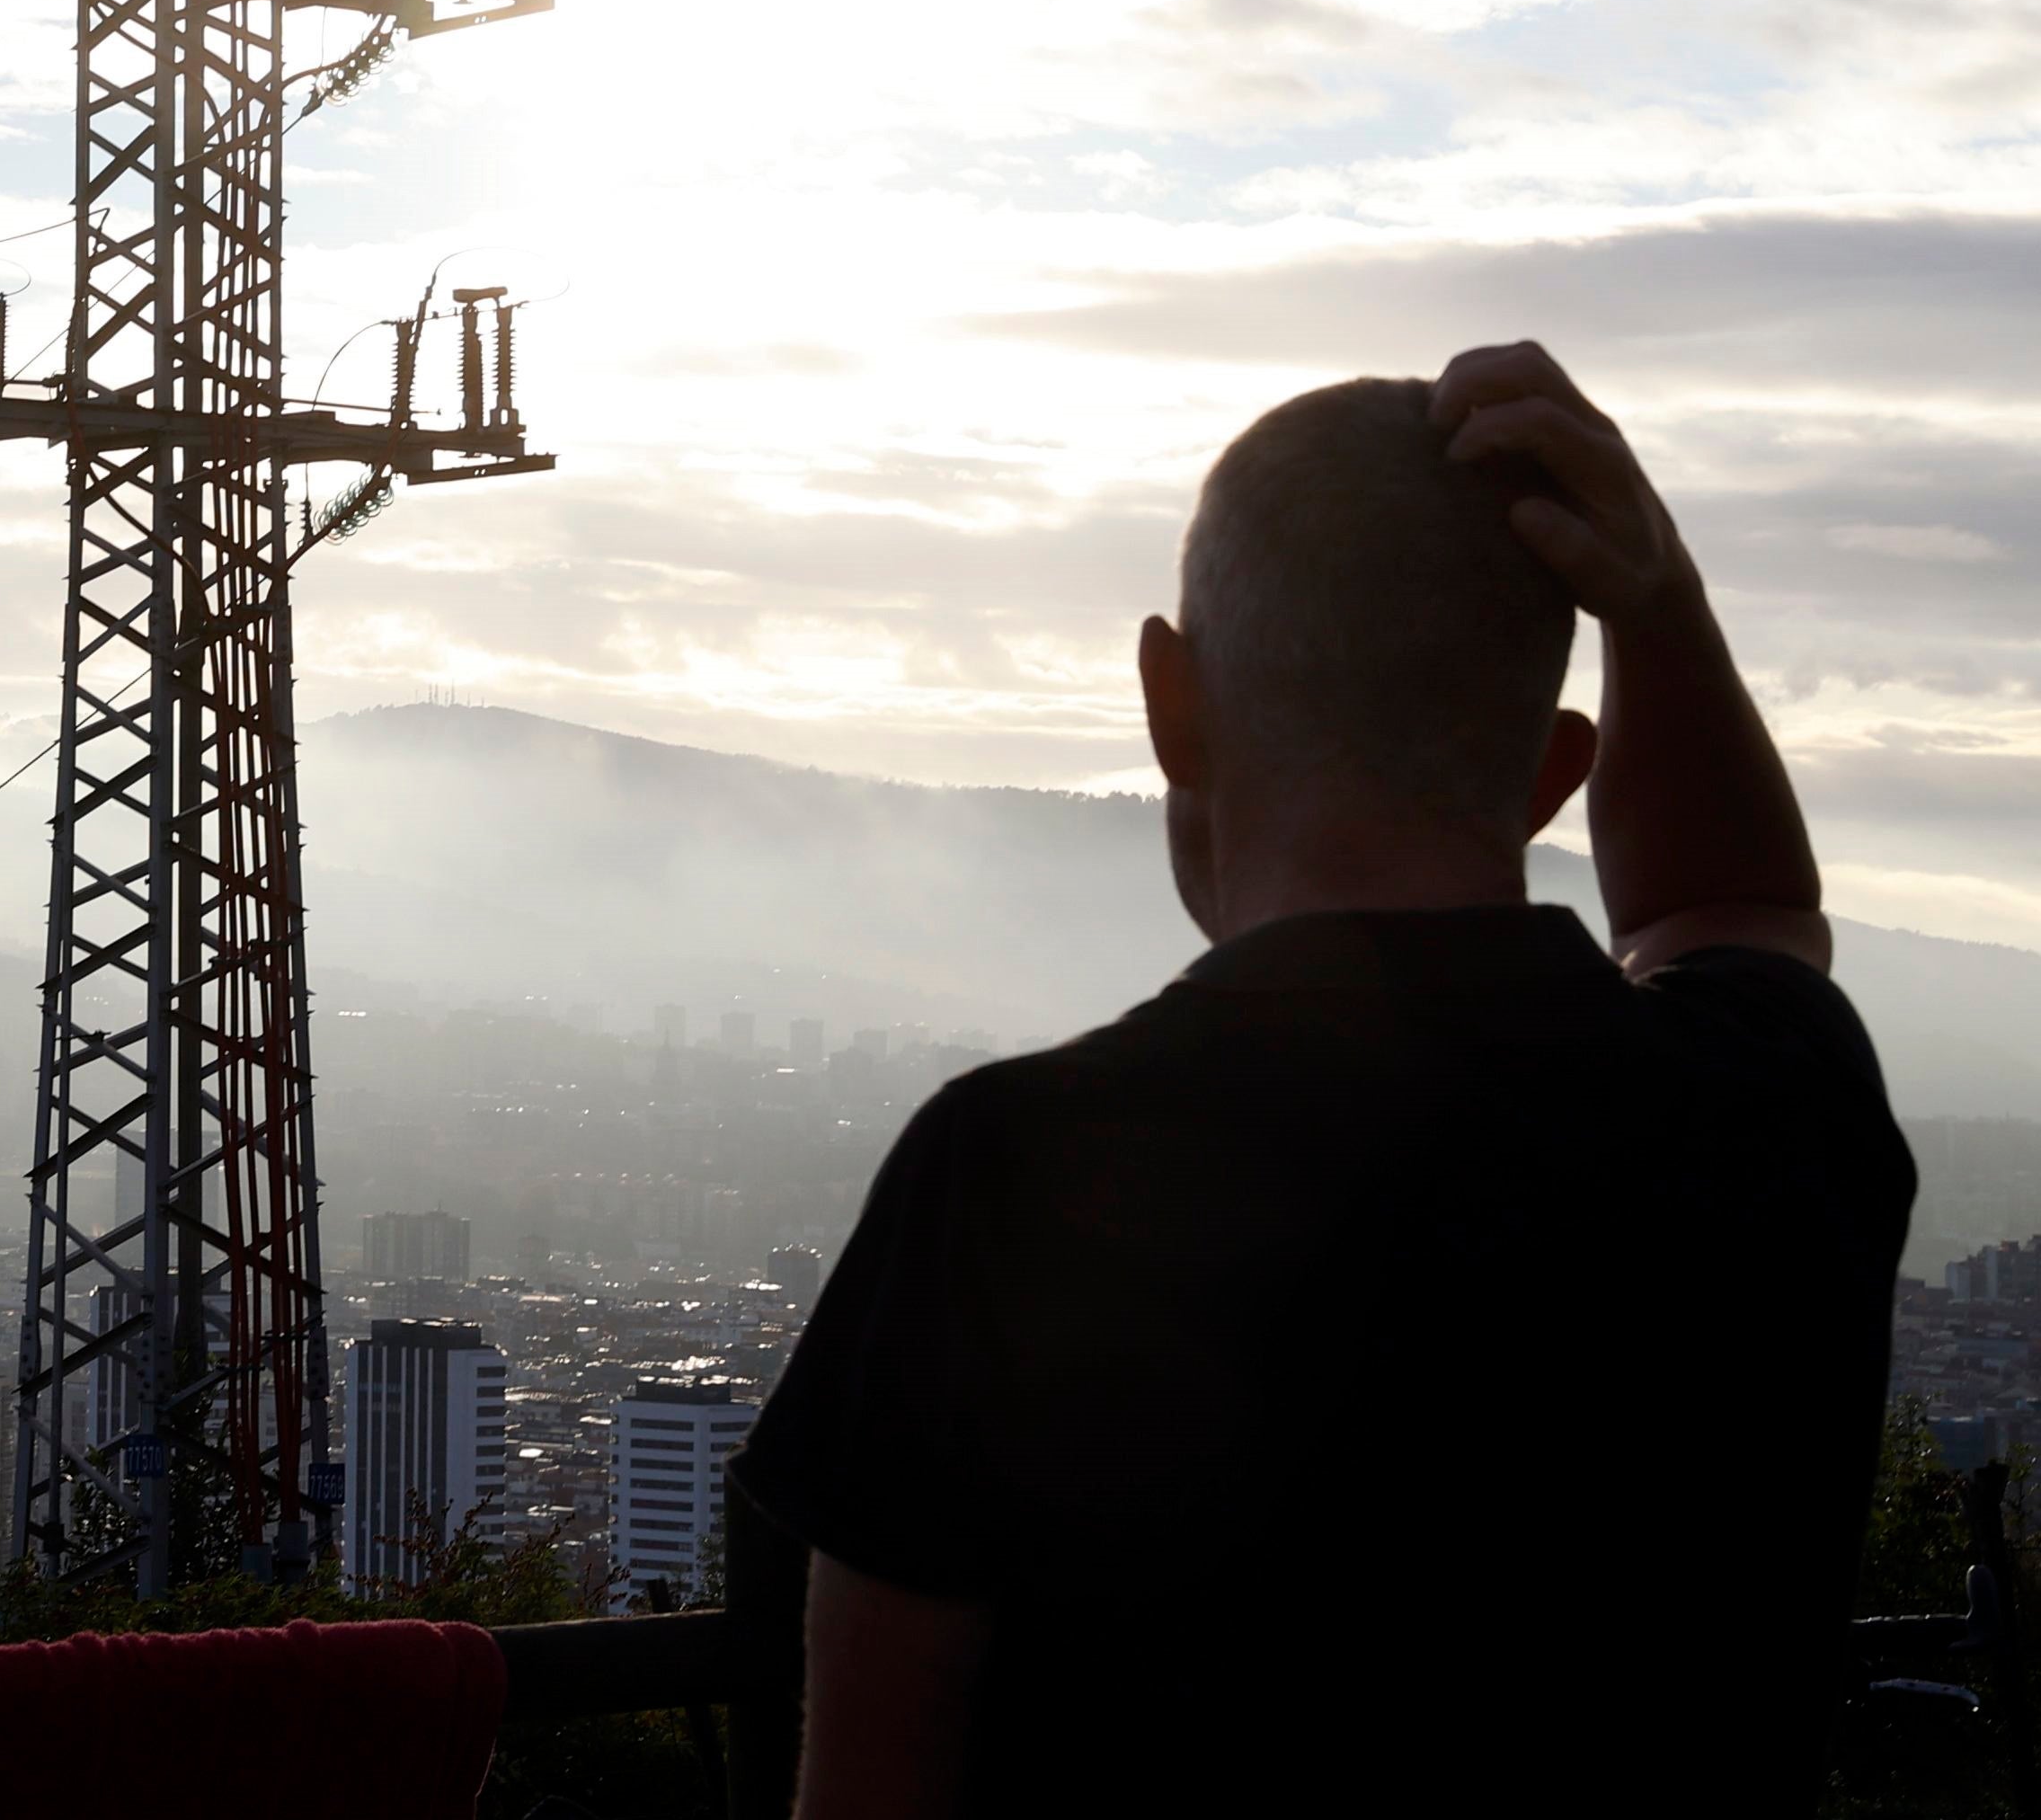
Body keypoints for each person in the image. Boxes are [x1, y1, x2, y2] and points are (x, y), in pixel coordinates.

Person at [738, 343, 1916, 1816]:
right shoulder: (1775, 1109)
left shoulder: (1016, 1176)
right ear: (1555, 775)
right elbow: (1733, 902)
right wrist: (1657, 597)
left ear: (1170, 702)